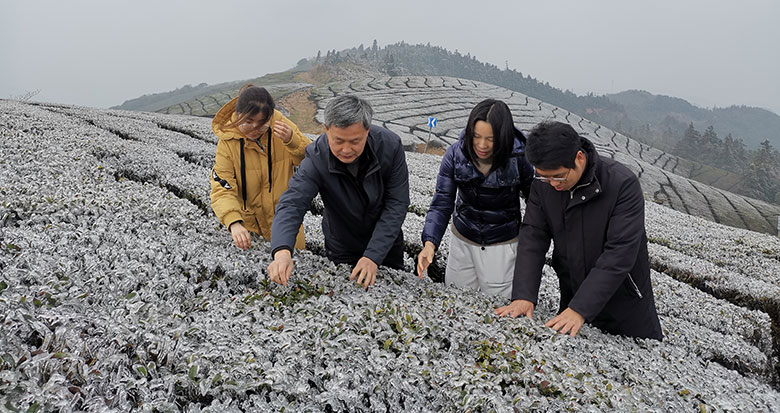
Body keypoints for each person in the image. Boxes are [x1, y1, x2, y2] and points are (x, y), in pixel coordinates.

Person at [496, 121, 662, 340]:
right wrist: (524, 295)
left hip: (623, 303)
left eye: (558, 176)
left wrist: (580, 309)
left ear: (579, 158)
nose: (553, 183)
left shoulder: (622, 185)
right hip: (573, 296)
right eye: (544, 176)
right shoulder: (543, 184)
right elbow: (533, 236)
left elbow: (619, 253)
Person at [268, 95, 410, 288]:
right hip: (342, 246)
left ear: (367, 131)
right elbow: (293, 202)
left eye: (354, 141)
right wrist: (282, 250)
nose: (346, 149)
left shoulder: (390, 146)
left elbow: (397, 203)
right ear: (326, 129)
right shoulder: (317, 157)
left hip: (386, 245)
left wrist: (373, 256)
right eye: (339, 140)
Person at [416, 99, 534, 298]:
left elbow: (535, 201)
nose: (482, 145)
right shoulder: (456, 154)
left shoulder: (519, 157)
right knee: (455, 297)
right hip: (463, 239)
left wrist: (531, 246)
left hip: (502, 245)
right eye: (477, 136)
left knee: (499, 304)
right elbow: (442, 202)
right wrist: (430, 243)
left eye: (491, 139)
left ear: (503, 136)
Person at [210, 85, 311, 250]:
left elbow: (310, 160)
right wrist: (234, 222)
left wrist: (292, 141)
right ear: (238, 114)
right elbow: (222, 186)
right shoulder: (228, 143)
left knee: (294, 271)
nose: (255, 129)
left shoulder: (281, 126)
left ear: (270, 117)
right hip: (250, 230)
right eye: (248, 122)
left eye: (262, 123)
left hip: (287, 224)